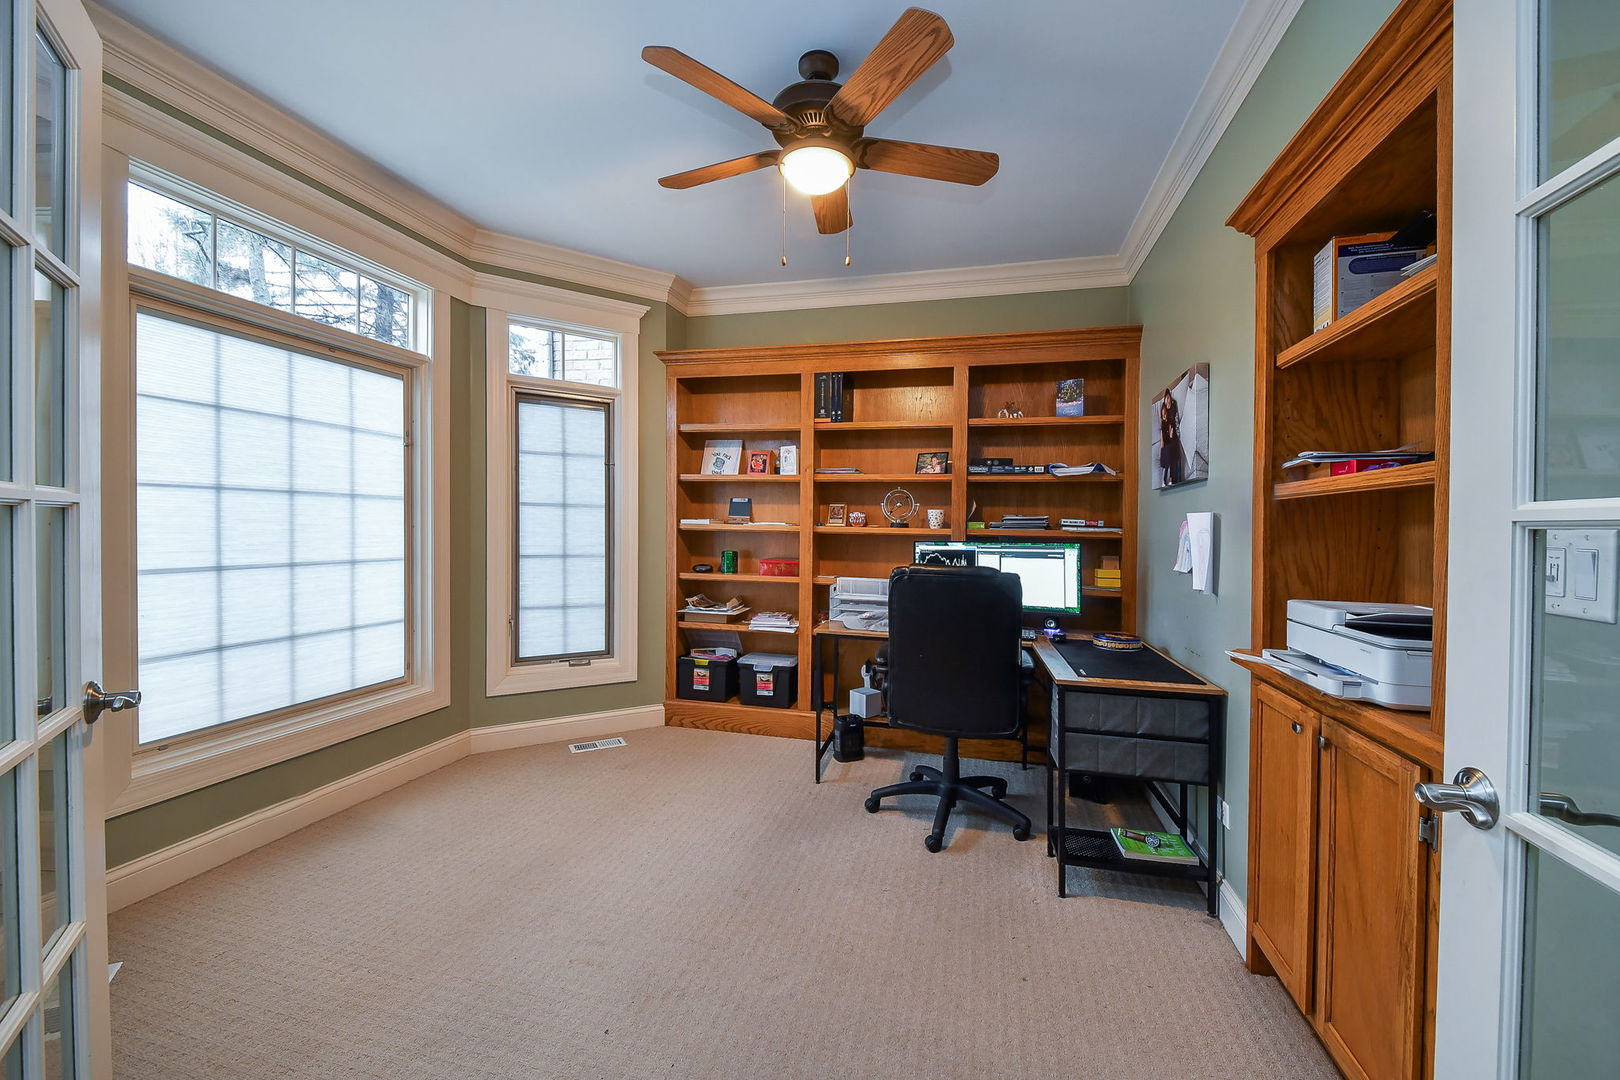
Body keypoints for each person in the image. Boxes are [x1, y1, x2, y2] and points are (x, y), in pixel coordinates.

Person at [1159, 392, 1185, 487]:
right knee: (1167, 460)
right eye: (1166, 399)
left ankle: (1171, 479)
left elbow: (1175, 425)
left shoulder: (1173, 409)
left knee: (1174, 458)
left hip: (1173, 438)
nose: (1167, 401)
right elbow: (1163, 432)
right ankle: (1166, 480)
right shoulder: (1163, 421)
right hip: (1167, 441)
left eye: (1168, 398)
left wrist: (1174, 434)